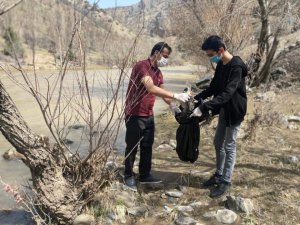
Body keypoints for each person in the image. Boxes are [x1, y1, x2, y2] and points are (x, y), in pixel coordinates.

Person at [124, 42, 189, 190]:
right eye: (164, 56)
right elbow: (150, 88)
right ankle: (128, 175)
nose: (166, 59)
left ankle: (144, 174)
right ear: (156, 53)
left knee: (147, 145)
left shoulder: (158, 73)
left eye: (167, 57)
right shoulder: (142, 66)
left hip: (148, 114)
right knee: (132, 146)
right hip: (134, 113)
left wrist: (172, 105)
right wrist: (176, 95)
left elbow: (161, 90)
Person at [191, 36, 248, 198]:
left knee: (230, 145)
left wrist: (205, 106)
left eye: (211, 55)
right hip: (224, 109)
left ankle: (226, 181)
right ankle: (219, 174)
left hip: (235, 110)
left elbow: (229, 92)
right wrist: (196, 99)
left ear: (220, 50)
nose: (211, 58)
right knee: (218, 142)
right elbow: (214, 87)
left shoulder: (236, 66)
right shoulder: (221, 65)